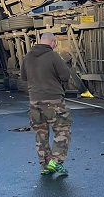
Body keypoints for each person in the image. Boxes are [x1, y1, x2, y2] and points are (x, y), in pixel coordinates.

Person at [21, 32, 73, 176]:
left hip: (34, 101)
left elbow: (24, 77)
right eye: (55, 42)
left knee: (40, 134)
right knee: (63, 130)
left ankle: (44, 165)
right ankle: (55, 162)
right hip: (53, 100)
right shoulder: (53, 56)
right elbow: (65, 75)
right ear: (52, 42)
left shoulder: (28, 56)